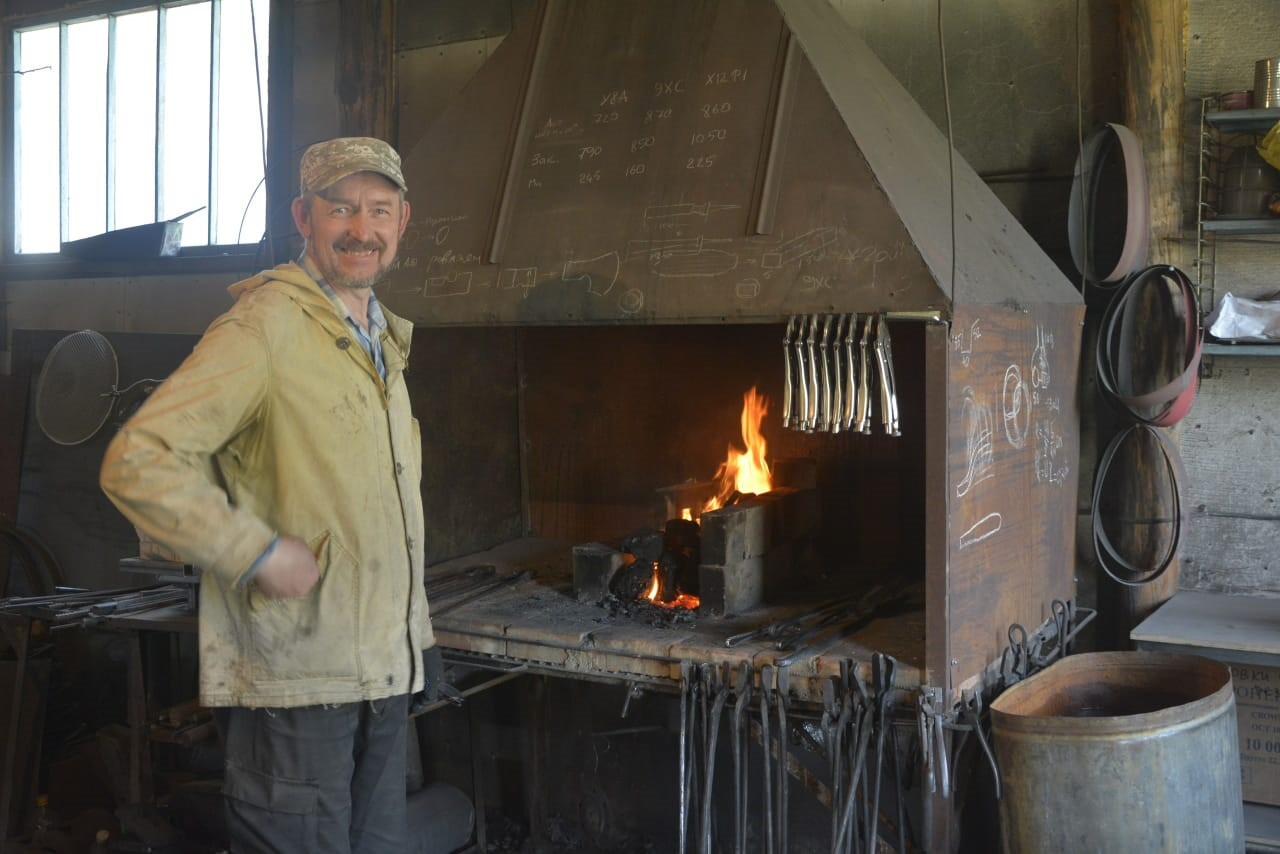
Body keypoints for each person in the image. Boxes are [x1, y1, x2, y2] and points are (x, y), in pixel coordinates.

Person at [100, 137, 442, 852]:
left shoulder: (378, 339)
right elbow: (139, 459)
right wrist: (251, 550)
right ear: (303, 216)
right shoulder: (265, 326)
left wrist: (417, 640)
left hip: (379, 667)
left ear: (403, 221)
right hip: (296, 678)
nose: (361, 227)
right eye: (339, 207)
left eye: (379, 209)